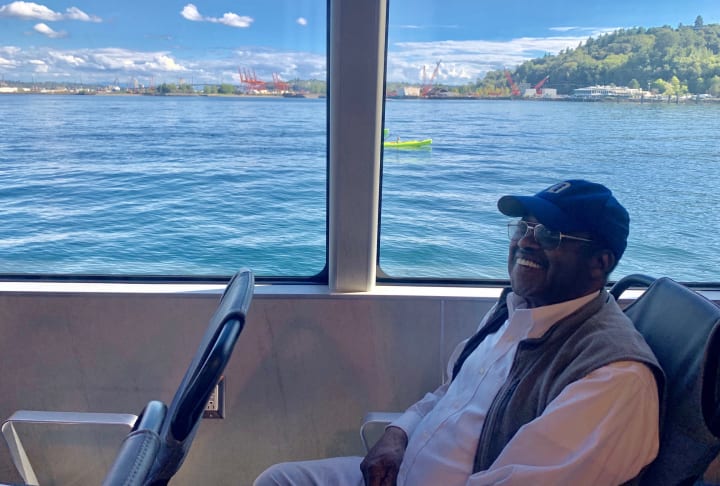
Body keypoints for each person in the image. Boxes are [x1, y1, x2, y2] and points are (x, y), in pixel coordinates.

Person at [255, 179, 664, 486]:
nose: (525, 242)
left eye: (549, 235)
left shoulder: (612, 376)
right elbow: (447, 394)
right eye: (524, 226)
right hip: (404, 470)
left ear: (600, 263)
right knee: (276, 480)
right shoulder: (514, 310)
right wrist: (397, 436)